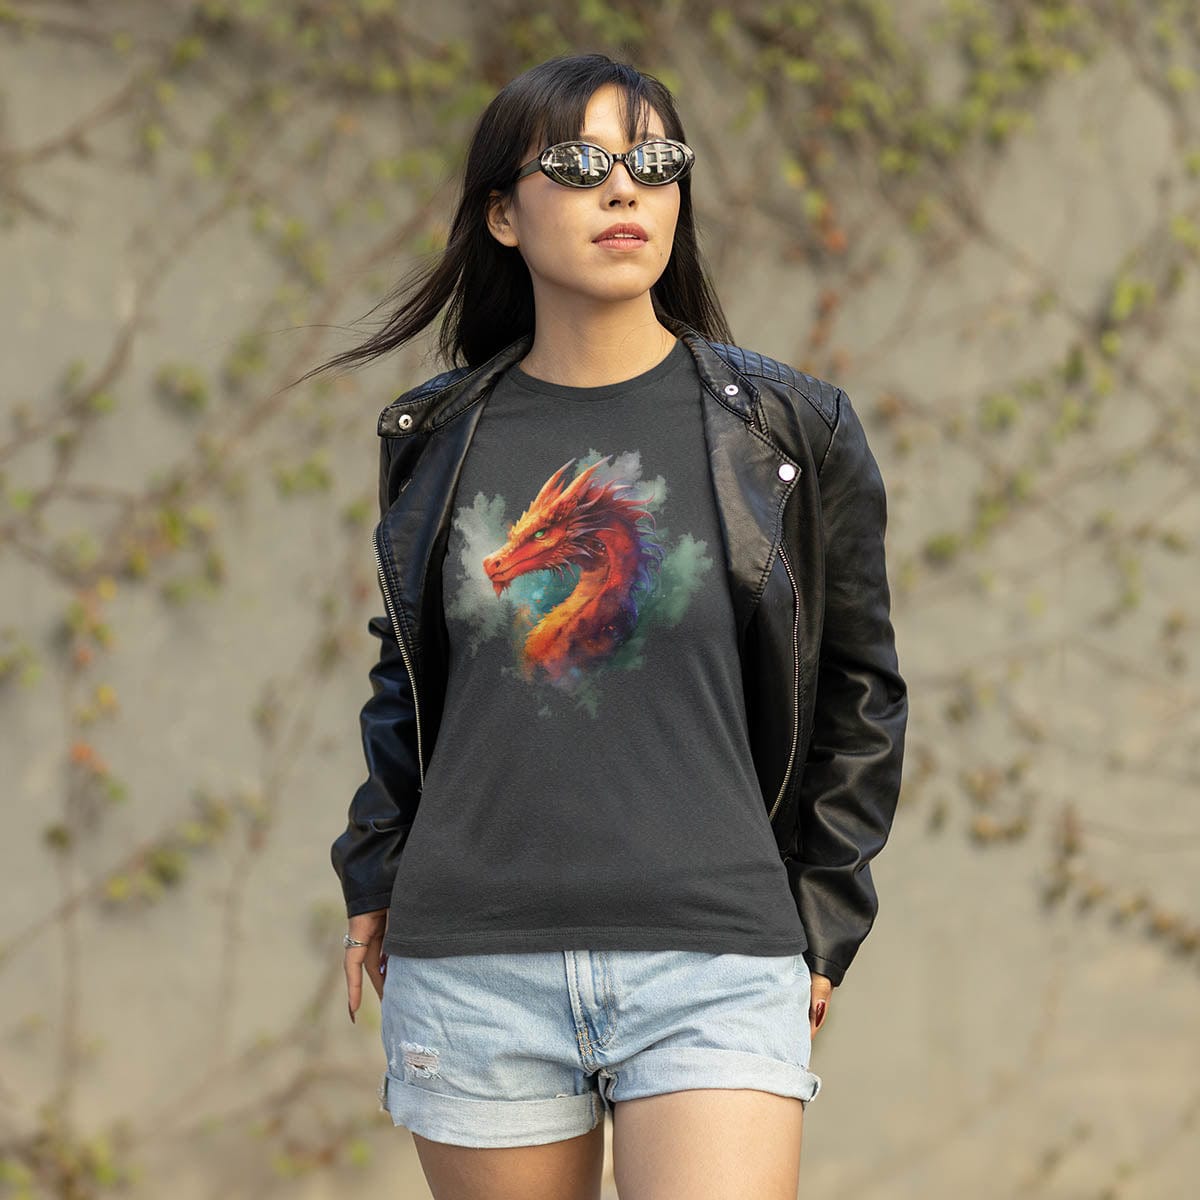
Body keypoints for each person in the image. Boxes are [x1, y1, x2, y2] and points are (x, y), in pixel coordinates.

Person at [308, 51, 907, 1200]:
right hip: (475, 959)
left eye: (654, 163)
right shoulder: (437, 438)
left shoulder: (787, 429)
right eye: (580, 165)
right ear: (502, 212)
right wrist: (372, 871)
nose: (623, 190)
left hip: (716, 952)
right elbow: (411, 678)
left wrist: (824, 911)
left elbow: (859, 690)